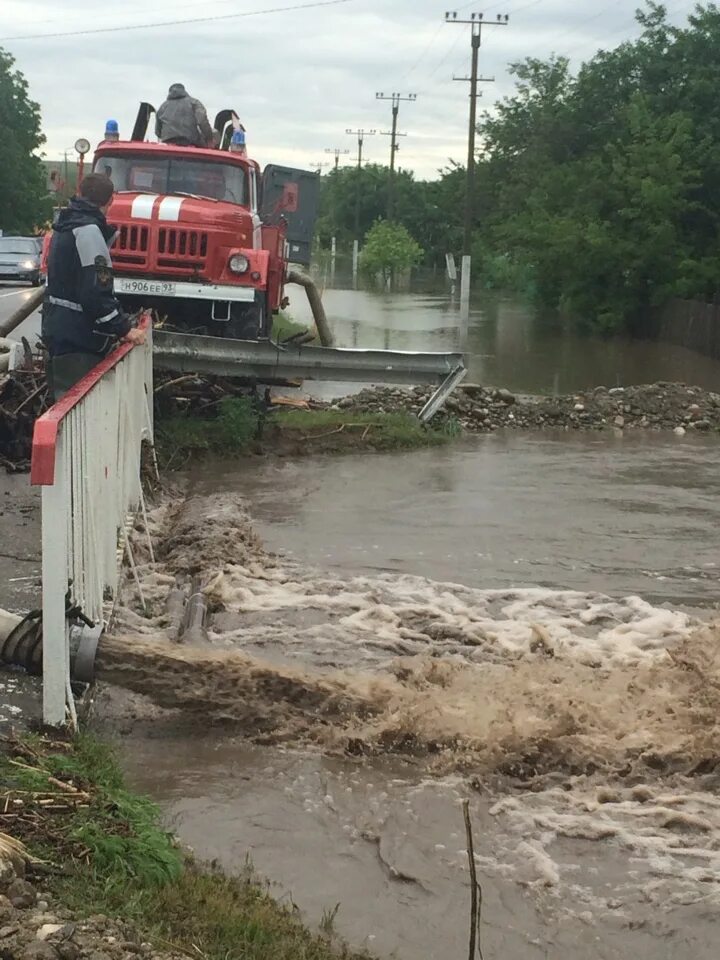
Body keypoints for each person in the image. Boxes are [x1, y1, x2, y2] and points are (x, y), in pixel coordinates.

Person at [42, 173, 146, 401]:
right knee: (76, 407)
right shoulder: (89, 232)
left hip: (59, 328)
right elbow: (96, 291)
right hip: (79, 337)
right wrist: (124, 329)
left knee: (63, 404)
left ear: (79, 193)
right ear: (111, 201)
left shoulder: (65, 225)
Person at [156, 83, 214, 147]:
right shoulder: (194, 102)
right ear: (184, 91)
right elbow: (202, 121)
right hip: (191, 142)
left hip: (168, 143)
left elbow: (158, 132)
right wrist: (209, 139)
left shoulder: (163, 106)